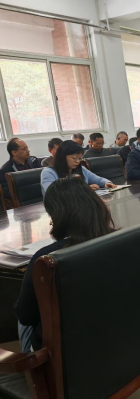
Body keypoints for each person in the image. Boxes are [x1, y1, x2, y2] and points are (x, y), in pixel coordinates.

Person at [15, 177, 116, 352]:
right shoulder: (121, 240)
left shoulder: (47, 258)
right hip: (114, 339)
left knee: (21, 312)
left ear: (58, 216)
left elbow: (26, 316)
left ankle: (29, 364)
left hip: (62, 355)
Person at [41, 140, 115, 196]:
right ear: (62, 157)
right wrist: (83, 190)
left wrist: (107, 183)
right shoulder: (49, 173)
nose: (77, 161)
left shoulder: (81, 169)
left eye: (80, 158)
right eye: (74, 158)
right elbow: (53, 194)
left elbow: (99, 180)